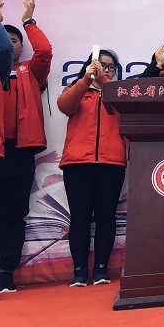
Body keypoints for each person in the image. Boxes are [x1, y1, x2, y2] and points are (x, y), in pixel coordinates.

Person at [57, 49, 126, 287]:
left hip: (111, 163)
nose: (105, 69)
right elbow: (64, 106)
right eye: (101, 65)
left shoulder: (117, 93)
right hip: (77, 163)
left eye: (110, 67)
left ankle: (101, 269)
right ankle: (79, 271)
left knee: (106, 217)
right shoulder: (78, 88)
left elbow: (124, 110)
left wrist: (103, 80)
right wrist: (87, 79)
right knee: (80, 217)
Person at [0, 0, 52, 293]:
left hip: (20, 153)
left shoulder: (30, 71)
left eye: (14, 39)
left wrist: (28, 21)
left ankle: (5, 272)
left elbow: (44, 51)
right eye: (4, 38)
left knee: (13, 214)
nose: (9, 43)